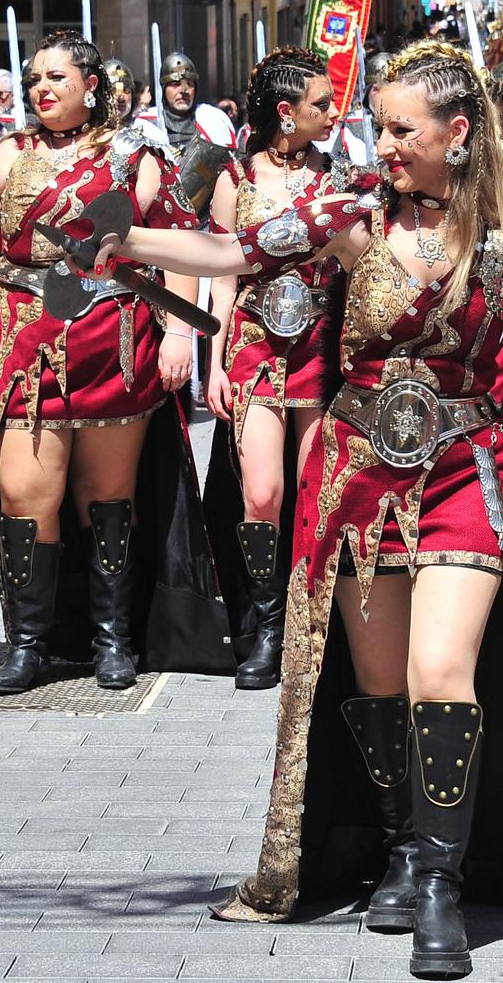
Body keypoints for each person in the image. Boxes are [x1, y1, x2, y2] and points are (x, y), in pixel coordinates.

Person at [91, 39, 503, 976]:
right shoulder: (349, 214)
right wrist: (126, 240)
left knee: (440, 669)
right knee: (375, 685)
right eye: (377, 125)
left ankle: (444, 890)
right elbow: (231, 251)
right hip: (356, 474)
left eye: (400, 128)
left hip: (467, 467)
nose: (381, 143)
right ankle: (403, 846)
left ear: (458, 135)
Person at [0, 31, 229, 693]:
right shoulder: (7, 156)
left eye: (57, 77)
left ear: (92, 84)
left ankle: (112, 639)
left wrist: (181, 335)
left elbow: (179, 244)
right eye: (35, 78)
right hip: (24, 344)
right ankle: (26, 643)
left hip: (115, 344)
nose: (43, 88)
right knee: (25, 494)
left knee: (107, 500)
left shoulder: (134, 154)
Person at [202, 49, 350, 691]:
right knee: (261, 494)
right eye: (321, 102)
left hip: (322, 344)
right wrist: (213, 361)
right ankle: (262, 626)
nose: (333, 110)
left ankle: (308, 625)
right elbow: (219, 271)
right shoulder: (233, 173)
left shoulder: (341, 172)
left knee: (317, 494)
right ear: (286, 113)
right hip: (254, 344)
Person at [135, 50, 237, 155]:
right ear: (163, 89)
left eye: (189, 84)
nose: (184, 90)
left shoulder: (213, 120)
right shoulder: (145, 124)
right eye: (175, 84)